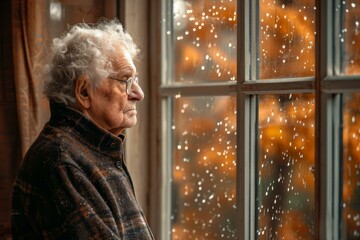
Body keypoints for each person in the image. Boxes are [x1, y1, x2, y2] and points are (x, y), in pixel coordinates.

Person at [11, 19, 154, 239]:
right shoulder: (62, 161)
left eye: (135, 80)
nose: (138, 93)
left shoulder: (93, 150)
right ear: (84, 92)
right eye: (125, 80)